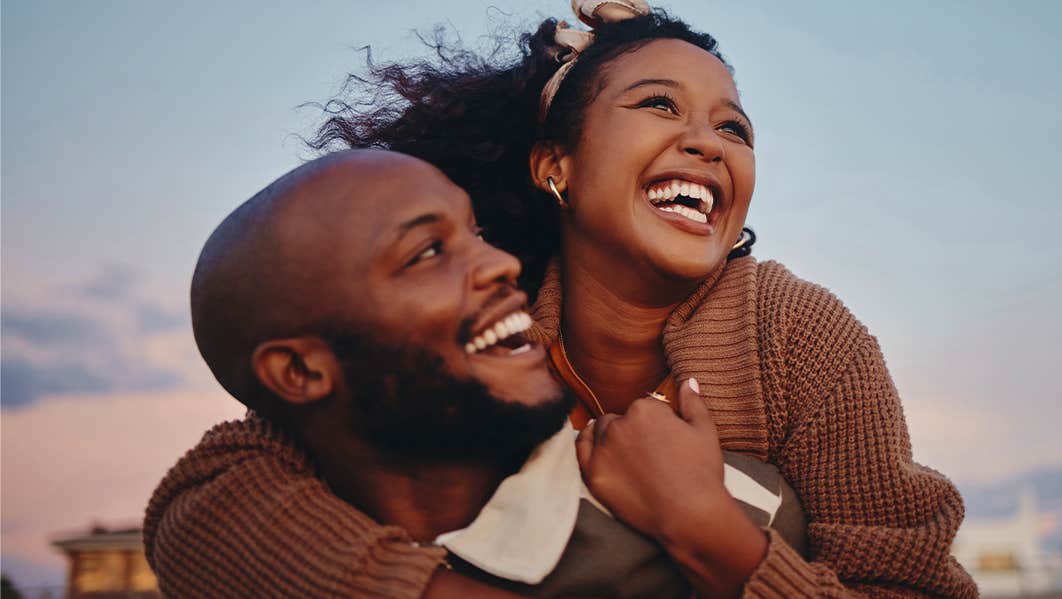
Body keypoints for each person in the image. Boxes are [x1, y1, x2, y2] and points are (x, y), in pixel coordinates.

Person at [148, 1, 979, 598]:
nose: (706, 141)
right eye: (659, 104)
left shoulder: (798, 335)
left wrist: (710, 530)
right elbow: (205, 505)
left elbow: (912, 583)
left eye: (736, 129)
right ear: (556, 166)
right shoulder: (478, 325)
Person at [145, 149, 806, 598]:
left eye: (476, 230)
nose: (501, 265)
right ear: (298, 371)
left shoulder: (741, 507)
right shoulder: (250, 530)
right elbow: (193, 504)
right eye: (428, 251)